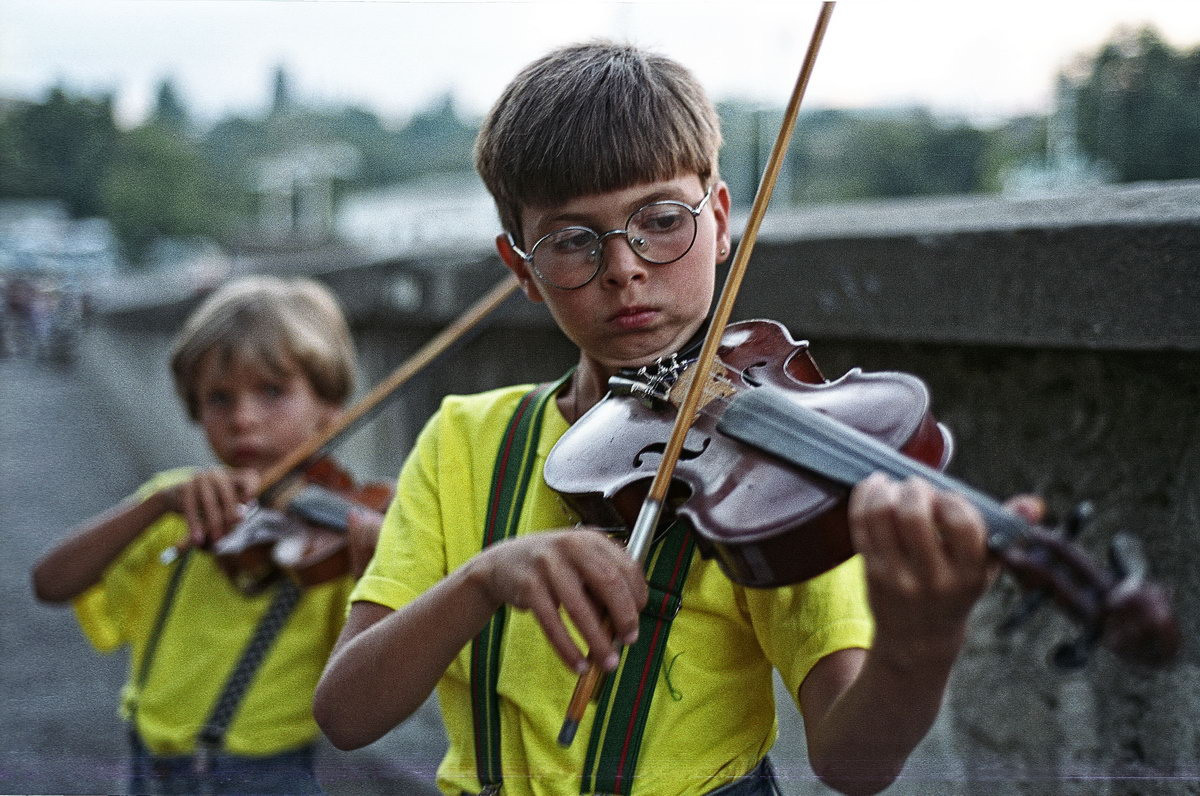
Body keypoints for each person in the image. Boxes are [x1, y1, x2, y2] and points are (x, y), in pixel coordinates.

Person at [313, 42, 1042, 796]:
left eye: (661, 220)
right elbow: (345, 712)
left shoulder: (776, 482)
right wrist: (484, 578)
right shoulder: (464, 440)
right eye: (571, 240)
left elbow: (852, 761)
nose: (624, 266)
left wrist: (918, 646)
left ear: (720, 220)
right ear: (521, 268)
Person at [32, 275, 380, 795]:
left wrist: (377, 561)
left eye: (272, 391)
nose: (243, 419)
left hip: (269, 776)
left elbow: (363, 699)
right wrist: (153, 507)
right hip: (149, 766)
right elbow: (50, 583)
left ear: (331, 409)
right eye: (218, 398)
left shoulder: (342, 528)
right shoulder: (174, 502)